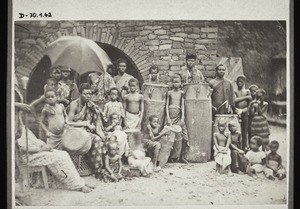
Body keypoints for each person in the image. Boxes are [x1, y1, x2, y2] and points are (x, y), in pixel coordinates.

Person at [16, 125, 93, 193]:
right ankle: (77, 185)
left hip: (36, 152)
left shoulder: (23, 127)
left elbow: (34, 141)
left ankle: (78, 182)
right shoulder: (16, 131)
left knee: (63, 154)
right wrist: (42, 149)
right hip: (30, 157)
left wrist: (44, 146)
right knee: (59, 157)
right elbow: (23, 148)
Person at [67, 83, 107, 178]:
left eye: (90, 94)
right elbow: (68, 122)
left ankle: (108, 166)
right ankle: (98, 170)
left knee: (109, 137)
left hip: (88, 130)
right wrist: (85, 124)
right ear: (80, 93)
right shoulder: (74, 104)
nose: (88, 96)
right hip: (75, 132)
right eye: (85, 94)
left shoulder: (91, 105)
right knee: (96, 139)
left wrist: (98, 130)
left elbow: (98, 119)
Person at [166, 74, 189, 164]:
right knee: (169, 136)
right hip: (170, 116)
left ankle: (181, 156)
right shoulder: (169, 93)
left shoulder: (181, 93)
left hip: (179, 116)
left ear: (180, 83)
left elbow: (182, 106)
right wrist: (168, 118)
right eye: (174, 82)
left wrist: (182, 118)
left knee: (184, 135)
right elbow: (166, 106)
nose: (176, 84)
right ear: (172, 83)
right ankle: (169, 156)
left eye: (177, 82)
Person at [234, 75, 252, 149]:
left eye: (241, 82)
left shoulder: (247, 91)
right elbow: (234, 101)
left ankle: (245, 147)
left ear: (244, 82)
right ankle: (238, 147)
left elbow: (250, 102)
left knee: (245, 131)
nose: (239, 83)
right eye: (238, 82)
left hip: (245, 113)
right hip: (237, 112)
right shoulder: (235, 91)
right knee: (237, 131)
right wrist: (245, 97)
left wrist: (245, 110)